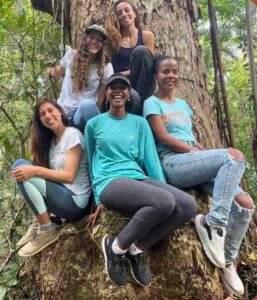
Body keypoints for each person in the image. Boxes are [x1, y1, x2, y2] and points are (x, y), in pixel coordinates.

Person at [143, 55, 255, 296]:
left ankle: (227, 259)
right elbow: (164, 138)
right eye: (165, 71)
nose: (170, 76)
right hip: (173, 163)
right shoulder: (151, 103)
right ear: (156, 75)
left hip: (193, 159)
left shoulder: (183, 104)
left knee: (245, 204)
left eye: (174, 71)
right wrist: (194, 152)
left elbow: (191, 137)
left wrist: (202, 154)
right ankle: (213, 224)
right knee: (233, 156)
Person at [85, 73, 196, 287]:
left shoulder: (139, 124)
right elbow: (91, 162)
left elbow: (150, 159)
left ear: (129, 94)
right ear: (106, 93)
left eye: (123, 87)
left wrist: (164, 185)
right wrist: (97, 199)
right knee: (163, 202)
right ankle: (115, 247)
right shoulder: (94, 124)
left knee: (187, 205)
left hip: (137, 177)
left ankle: (136, 248)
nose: (118, 90)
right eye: (112, 87)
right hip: (109, 181)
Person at [12, 98, 91, 257]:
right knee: (21, 165)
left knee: (23, 167)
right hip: (63, 197)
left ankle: (46, 229)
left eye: (50, 110)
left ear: (60, 112)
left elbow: (69, 176)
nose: (47, 115)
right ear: (40, 121)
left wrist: (35, 171)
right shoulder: (52, 144)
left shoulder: (72, 134)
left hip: (76, 200)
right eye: (42, 114)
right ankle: (39, 222)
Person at [47, 24, 113, 131]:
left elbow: (101, 98)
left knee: (86, 104)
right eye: (91, 37)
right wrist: (50, 72)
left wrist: (97, 111)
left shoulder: (105, 67)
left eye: (99, 40)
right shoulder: (71, 55)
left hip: (82, 115)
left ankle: (102, 136)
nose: (94, 42)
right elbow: (60, 70)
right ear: (85, 39)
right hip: (63, 112)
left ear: (102, 45)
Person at [108, 0, 155, 103]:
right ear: (117, 19)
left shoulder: (146, 36)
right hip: (123, 84)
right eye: (119, 13)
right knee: (133, 97)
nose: (124, 14)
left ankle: (144, 102)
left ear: (134, 14)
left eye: (127, 10)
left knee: (141, 51)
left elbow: (149, 65)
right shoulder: (113, 40)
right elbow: (110, 71)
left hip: (144, 84)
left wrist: (129, 72)